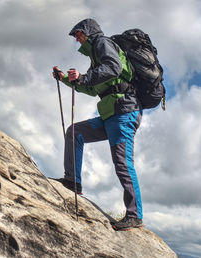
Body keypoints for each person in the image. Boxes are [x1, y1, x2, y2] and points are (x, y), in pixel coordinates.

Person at [52, 18, 143, 231]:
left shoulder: (102, 43)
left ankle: (134, 215)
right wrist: (67, 79)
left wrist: (83, 77)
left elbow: (113, 67)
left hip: (123, 112)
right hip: (109, 113)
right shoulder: (95, 56)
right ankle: (73, 181)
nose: (77, 39)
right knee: (75, 132)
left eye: (78, 34)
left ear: (88, 32)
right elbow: (93, 89)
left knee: (122, 162)